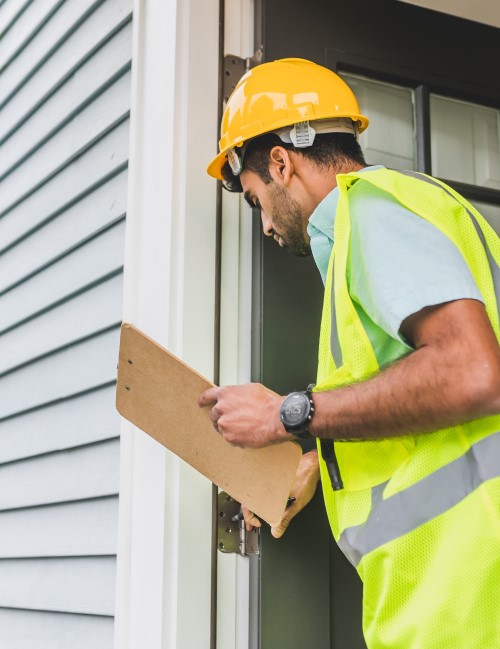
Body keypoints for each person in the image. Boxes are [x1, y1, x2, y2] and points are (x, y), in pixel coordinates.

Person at [199, 58, 500, 649]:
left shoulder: (373, 213)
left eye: (256, 199)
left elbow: (472, 373)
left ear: (281, 163)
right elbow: (423, 403)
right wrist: (316, 462)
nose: (263, 225)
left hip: (468, 602)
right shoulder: (411, 213)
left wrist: (284, 413)